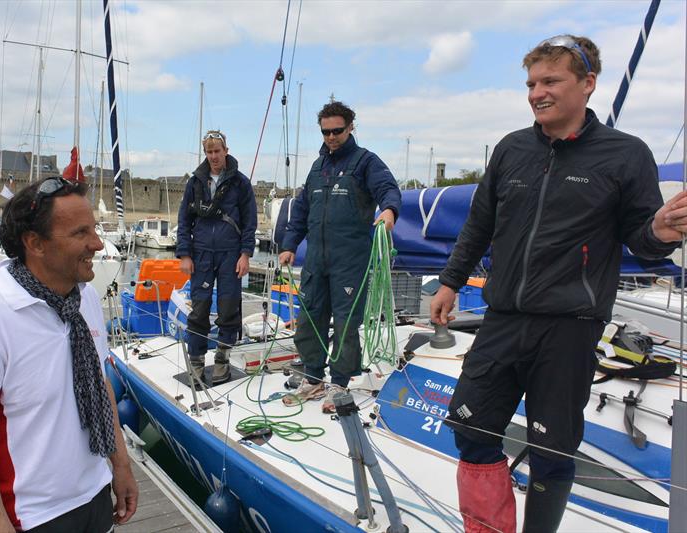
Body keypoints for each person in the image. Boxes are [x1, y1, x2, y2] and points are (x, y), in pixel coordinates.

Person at [430, 35, 687, 533]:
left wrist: (658, 232)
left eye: (550, 81)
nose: (536, 93)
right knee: (470, 429)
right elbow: (479, 224)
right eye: (531, 83)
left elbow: (642, 236)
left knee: (552, 449)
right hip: (503, 318)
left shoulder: (626, 155)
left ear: (588, 84)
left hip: (569, 329)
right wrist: (449, 282)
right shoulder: (511, 150)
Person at [0, 177, 138, 532]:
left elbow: (101, 386)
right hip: (27, 517)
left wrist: (120, 466)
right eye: (80, 233)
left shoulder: (85, 300)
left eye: (94, 229)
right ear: (35, 243)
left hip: (94, 496)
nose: (97, 243)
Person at [278, 101, 401, 413]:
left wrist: (388, 210)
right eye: (325, 132)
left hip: (350, 260)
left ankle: (339, 383)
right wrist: (289, 244)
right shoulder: (317, 168)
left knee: (345, 325)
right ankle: (313, 377)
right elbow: (302, 209)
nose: (331, 137)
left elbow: (388, 189)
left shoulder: (365, 162)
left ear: (350, 128)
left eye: (337, 131)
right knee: (309, 319)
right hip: (316, 260)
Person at [176, 130, 257, 385]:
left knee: (229, 306)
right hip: (201, 254)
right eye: (209, 152)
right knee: (199, 307)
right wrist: (184, 254)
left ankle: (222, 358)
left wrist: (245, 254)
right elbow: (184, 219)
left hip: (230, 254)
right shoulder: (195, 182)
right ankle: (197, 360)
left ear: (226, 151)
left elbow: (250, 221)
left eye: (217, 151)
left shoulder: (241, 183)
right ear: (206, 153)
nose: (213, 156)